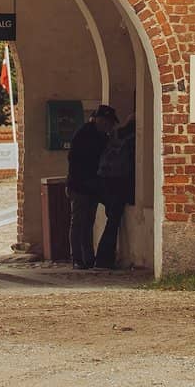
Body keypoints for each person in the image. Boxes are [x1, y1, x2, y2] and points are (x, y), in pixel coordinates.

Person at [66, 104, 118, 270]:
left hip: (92, 186)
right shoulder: (85, 135)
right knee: (79, 222)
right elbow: (77, 162)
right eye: (107, 122)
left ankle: (87, 257)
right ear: (99, 120)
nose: (109, 126)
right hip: (80, 185)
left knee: (88, 222)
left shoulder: (100, 136)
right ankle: (77, 258)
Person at [95, 114, 135, 269]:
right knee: (112, 223)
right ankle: (104, 259)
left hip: (107, 182)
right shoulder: (130, 141)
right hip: (120, 183)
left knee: (111, 221)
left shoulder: (114, 137)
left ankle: (104, 258)